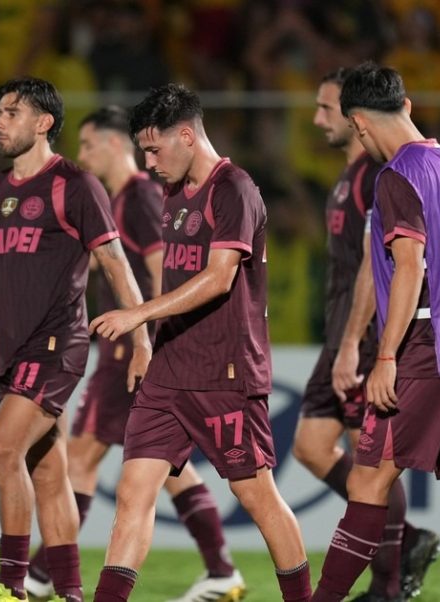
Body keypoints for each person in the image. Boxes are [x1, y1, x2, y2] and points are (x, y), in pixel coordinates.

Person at [0, 105, 247, 601]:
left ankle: (42, 575)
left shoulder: (138, 197)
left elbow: (163, 269)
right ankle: (220, 569)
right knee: (155, 468)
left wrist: (149, 341)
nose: (83, 154)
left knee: (85, 457)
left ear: (116, 145)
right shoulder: (122, 199)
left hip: (131, 353)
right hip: (129, 347)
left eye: (90, 144)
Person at [0, 78, 153, 602]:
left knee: (2, 446)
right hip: (11, 353)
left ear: (43, 123)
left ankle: (11, 586)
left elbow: (114, 261)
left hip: (57, 344)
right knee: (49, 471)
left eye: (10, 113)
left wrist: (142, 337)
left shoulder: (75, 185)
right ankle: (70, 592)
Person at [87, 83, 313, 602]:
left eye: (153, 149)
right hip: (169, 371)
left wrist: (138, 313)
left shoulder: (233, 189)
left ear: (186, 136)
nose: (148, 163)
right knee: (132, 495)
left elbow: (218, 278)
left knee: (256, 496)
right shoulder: (172, 192)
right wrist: (146, 343)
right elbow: (175, 274)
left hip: (225, 372)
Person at [310, 62, 440, 602]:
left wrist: (385, 358)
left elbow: (409, 266)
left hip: (425, 345)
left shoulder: (396, 176)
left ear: (359, 123)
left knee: (367, 480)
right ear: (405, 105)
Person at [300, 67, 439, 602]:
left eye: (327, 109)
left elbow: (371, 265)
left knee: (372, 466)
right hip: (342, 333)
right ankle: (405, 540)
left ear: (357, 116)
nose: (319, 119)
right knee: (313, 447)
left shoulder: (375, 177)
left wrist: (354, 344)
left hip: (360, 337)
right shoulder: (350, 176)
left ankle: (389, 580)